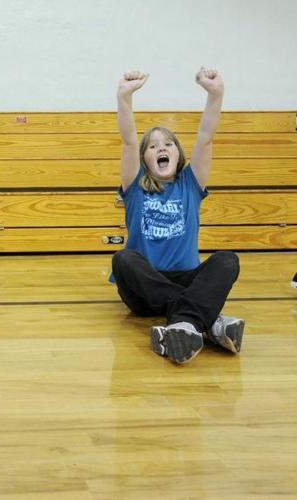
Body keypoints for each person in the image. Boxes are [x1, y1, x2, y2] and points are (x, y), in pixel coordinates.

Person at [111, 68, 244, 365]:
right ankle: (209, 321)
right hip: (143, 291)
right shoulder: (134, 186)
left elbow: (206, 138)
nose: (161, 147)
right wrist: (124, 97)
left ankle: (183, 325)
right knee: (123, 259)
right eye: (154, 146)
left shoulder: (190, 184)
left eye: (168, 144)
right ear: (145, 159)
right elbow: (129, 141)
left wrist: (215, 94)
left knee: (227, 260)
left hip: (185, 279)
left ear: (178, 155)